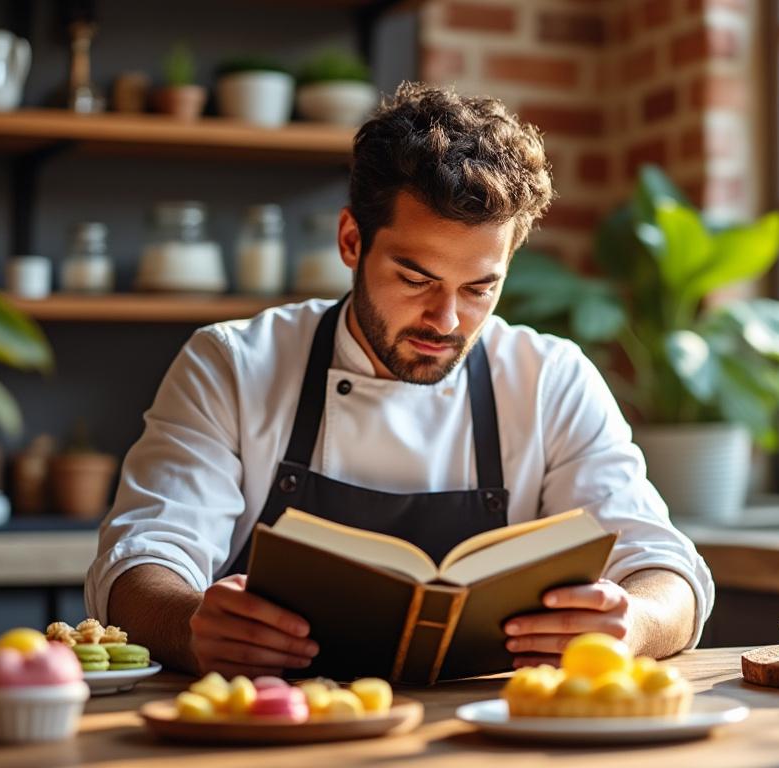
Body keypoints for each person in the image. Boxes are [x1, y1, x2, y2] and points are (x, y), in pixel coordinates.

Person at [86, 82, 714, 679]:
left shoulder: (550, 380)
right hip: (276, 727)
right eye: (416, 279)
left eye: (479, 288)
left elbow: (665, 569)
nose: (446, 321)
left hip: (484, 737)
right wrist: (193, 626)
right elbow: (140, 564)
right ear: (352, 240)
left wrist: (631, 626)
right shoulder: (232, 364)